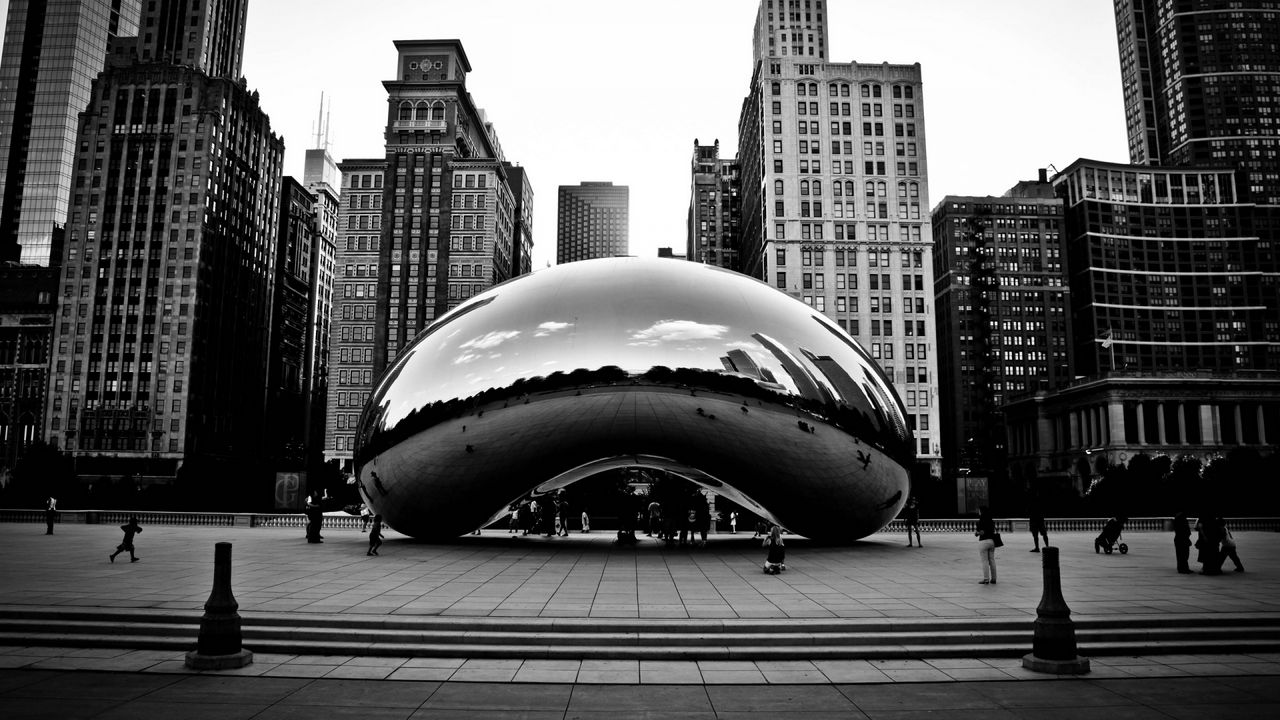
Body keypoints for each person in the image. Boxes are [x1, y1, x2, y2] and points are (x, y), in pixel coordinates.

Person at [975, 507, 997, 584]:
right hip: (992, 542)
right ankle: (994, 578)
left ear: (982, 512)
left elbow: (981, 532)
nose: (978, 512)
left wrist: (976, 533)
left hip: (983, 542)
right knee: (992, 560)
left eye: (979, 511)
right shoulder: (991, 521)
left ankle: (986, 579)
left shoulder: (980, 521)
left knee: (985, 561)